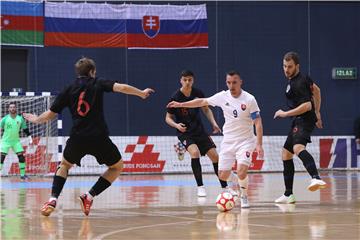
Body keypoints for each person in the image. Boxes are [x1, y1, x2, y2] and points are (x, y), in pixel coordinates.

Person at [23, 57, 154, 216]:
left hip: (78, 137)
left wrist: (36, 119)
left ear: (77, 73)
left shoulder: (69, 89)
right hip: (99, 137)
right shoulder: (98, 82)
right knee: (117, 167)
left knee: (64, 165)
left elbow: (50, 114)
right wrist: (141, 93)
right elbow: (123, 88)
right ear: (92, 72)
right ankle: (89, 196)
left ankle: (53, 199)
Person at [167, 70, 264, 208]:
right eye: (229, 82)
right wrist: (181, 105)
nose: (231, 86)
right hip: (229, 140)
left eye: (234, 82)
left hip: (246, 141)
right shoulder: (222, 96)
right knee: (222, 175)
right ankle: (237, 181)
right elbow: (202, 101)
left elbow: (258, 122)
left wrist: (259, 144)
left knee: (242, 170)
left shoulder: (249, 99)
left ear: (241, 82)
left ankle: (244, 196)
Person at [166, 70, 237, 197]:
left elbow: (206, 109)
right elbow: (168, 118)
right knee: (195, 153)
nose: (187, 82)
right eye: (185, 80)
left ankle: (225, 187)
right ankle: (200, 187)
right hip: (185, 133)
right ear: (181, 80)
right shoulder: (175, 97)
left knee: (215, 156)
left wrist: (214, 123)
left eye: (190, 80)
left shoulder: (198, 93)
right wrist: (176, 125)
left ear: (193, 80)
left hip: (200, 131)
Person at [274, 51, 326, 204]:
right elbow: (316, 90)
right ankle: (288, 194)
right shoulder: (302, 78)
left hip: (303, 119)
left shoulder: (298, 83)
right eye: (284, 66)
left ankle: (316, 178)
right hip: (301, 120)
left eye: (289, 67)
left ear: (297, 66)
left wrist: (285, 113)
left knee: (297, 148)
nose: (286, 69)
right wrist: (317, 112)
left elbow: (306, 105)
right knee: (286, 154)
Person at [1, 103, 33, 180]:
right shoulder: (4, 119)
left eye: (14, 107)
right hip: (5, 141)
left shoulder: (20, 119)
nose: (12, 108)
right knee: (1, 158)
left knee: (21, 157)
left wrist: (30, 138)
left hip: (16, 142)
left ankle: (22, 175)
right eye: (11, 107)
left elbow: (25, 129)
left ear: (16, 108)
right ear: (8, 109)